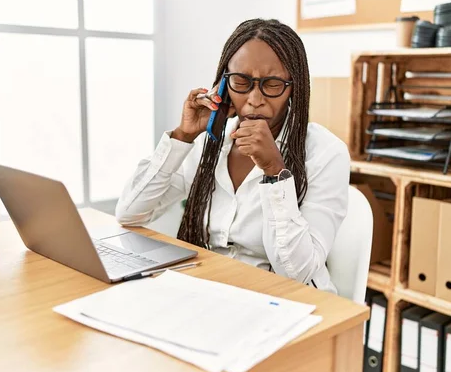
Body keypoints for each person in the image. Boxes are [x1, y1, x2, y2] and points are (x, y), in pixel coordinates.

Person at [115, 18, 349, 294]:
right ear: (224, 84)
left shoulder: (326, 153)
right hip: (212, 290)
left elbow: (298, 273)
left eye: (272, 84)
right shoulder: (211, 143)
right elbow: (130, 214)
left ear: (293, 87)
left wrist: (276, 172)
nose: (254, 98)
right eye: (241, 81)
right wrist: (183, 136)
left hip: (284, 300)